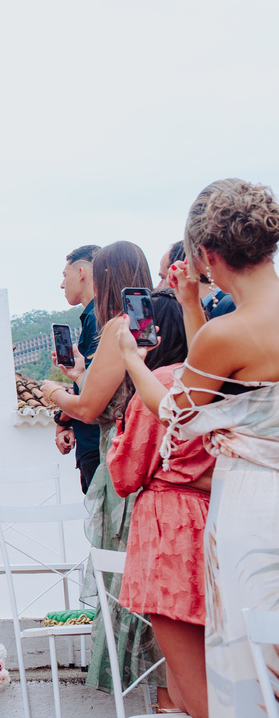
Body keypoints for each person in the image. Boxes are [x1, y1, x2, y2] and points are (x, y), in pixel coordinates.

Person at [117, 178, 279, 717]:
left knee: (252, 652)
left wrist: (133, 359)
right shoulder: (227, 334)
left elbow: (177, 414)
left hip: (255, 508)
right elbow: (227, 382)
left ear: (208, 254)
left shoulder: (228, 335)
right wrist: (191, 306)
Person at [39, 241, 162, 698]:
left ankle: (136, 683)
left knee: (121, 567)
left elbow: (92, 407)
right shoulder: (155, 321)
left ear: (101, 275)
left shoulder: (115, 326)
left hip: (122, 452)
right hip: (159, 451)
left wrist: (53, 395)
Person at [107, 302, 211, 717]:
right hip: (213, 517)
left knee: (191, 687)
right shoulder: (219, 379)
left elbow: (126, 472)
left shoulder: (164, 380)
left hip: (173, 528)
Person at [52, 245, 102, 493]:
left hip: (97, 447)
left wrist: (54, 397)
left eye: (65, 275)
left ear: (81, 272)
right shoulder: (93, 316)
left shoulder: (97, 318)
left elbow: (95, 392)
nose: (62, 285)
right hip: (90, 440)